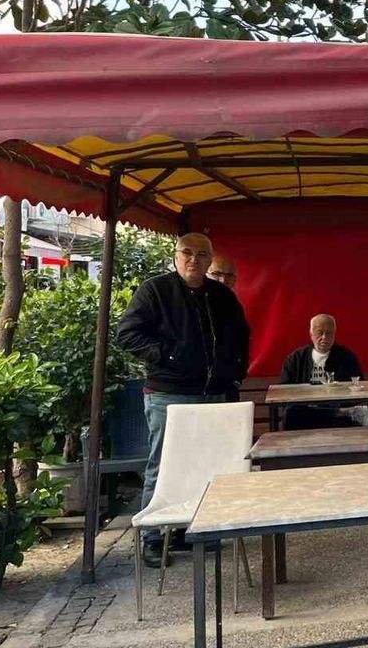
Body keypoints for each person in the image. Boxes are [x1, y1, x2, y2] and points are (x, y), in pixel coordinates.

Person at [116, 232, 250, 567]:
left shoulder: (221, 295)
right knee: (163, 465)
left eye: (201, 254)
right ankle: (152, 537)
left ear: (209, 260)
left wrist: (235, 373)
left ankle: (189, 530)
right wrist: (166, 355)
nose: (193, 259)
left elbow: (242, 336)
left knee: (207, 465)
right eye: (187, 252)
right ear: (176, 255)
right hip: (168, 394)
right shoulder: (155, 290)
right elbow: (127, 334)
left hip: (214, 394)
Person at [278, 314, 365, 430]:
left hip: (335, 409)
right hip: (307, 411)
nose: (324, 337)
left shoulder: (347, 357)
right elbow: (284, 392)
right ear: (311, 335)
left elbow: (358, 386)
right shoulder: (295, 359)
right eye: (319, 333)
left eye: (329, 333)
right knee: (293, 414)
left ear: (334, 334)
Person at [208, 255, 242, 401]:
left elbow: (242, 341)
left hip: (227, 384)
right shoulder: (190, 301)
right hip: (191, 387)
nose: (223, 280)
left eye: (229, 275)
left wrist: (238, 375)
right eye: (216, 274)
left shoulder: (234, 306)